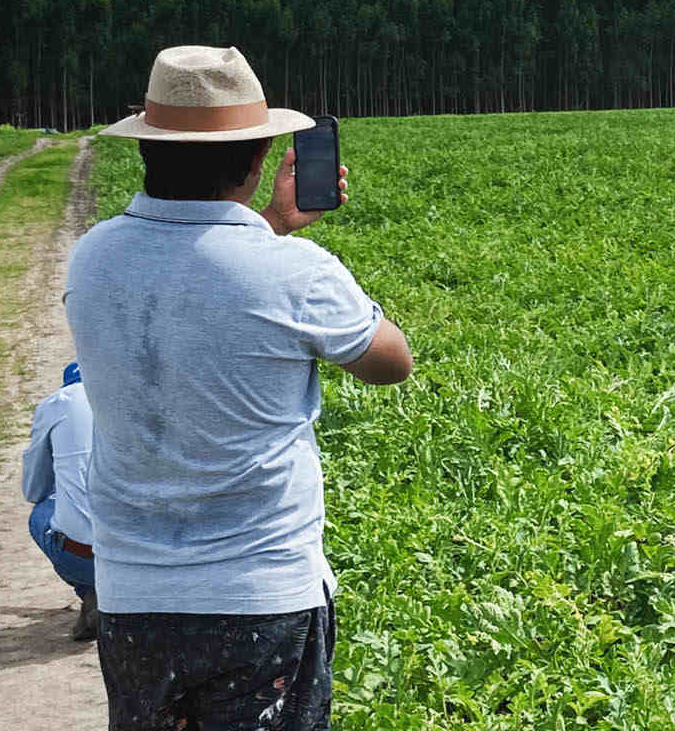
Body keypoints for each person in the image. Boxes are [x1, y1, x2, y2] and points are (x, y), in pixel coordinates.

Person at [64, 45, 412, 730]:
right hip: (261, 595)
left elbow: (193, 284)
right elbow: (390, 361)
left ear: (147, 150)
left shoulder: (93, 256)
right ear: (258, 160)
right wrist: (280, 237)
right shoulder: (291, 274)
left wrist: (269, 228)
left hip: (133, 594)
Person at [22, 358, 97, 640]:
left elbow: (33, 491)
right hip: (147, 553)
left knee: (41, 514)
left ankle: (89, 590)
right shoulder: (137, 399)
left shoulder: (58, 403)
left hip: (83, 556)